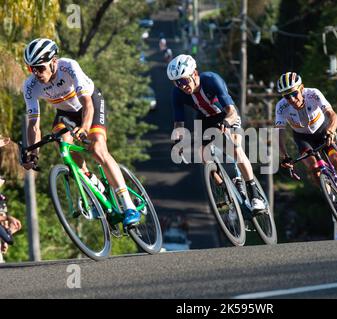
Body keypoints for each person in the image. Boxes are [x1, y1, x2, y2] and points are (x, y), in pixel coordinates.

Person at [21, 38, 140, 227]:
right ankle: (93, 185)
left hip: (90, 104)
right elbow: (34, 124)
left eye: (40, 68)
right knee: (64, 146)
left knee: (98, 149)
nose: (36, 73)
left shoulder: (69, 67)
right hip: (65, 113)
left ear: (53, 61)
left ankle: (128, 205)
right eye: (31, 69)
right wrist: (33, 153)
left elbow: (87, 104)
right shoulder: (29, 86)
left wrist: (84, 128)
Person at [275, 72, 337, 225]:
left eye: (294, 93)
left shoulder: (313, 94)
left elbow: (334, 116)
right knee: (313, 168)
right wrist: (284, 156)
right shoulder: (281, 107)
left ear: (301, 88)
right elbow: (279, 133)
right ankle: (336, 203)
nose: (291, 99)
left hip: (324, 132)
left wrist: (331, 130)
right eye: (286, 96)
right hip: (303, 139)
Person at [167, 54, 265, 213]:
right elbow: (179, 122)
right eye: (177, 83)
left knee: (234, 148)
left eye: (184, 81)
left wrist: (226, 123)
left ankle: (255, 195)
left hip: (225, 114)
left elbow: (232, 112)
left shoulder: (211, 80)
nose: (182, 86)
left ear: (195, 74)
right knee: (203, 155)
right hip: (205, 119)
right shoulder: (177, 93)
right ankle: (227, 190)